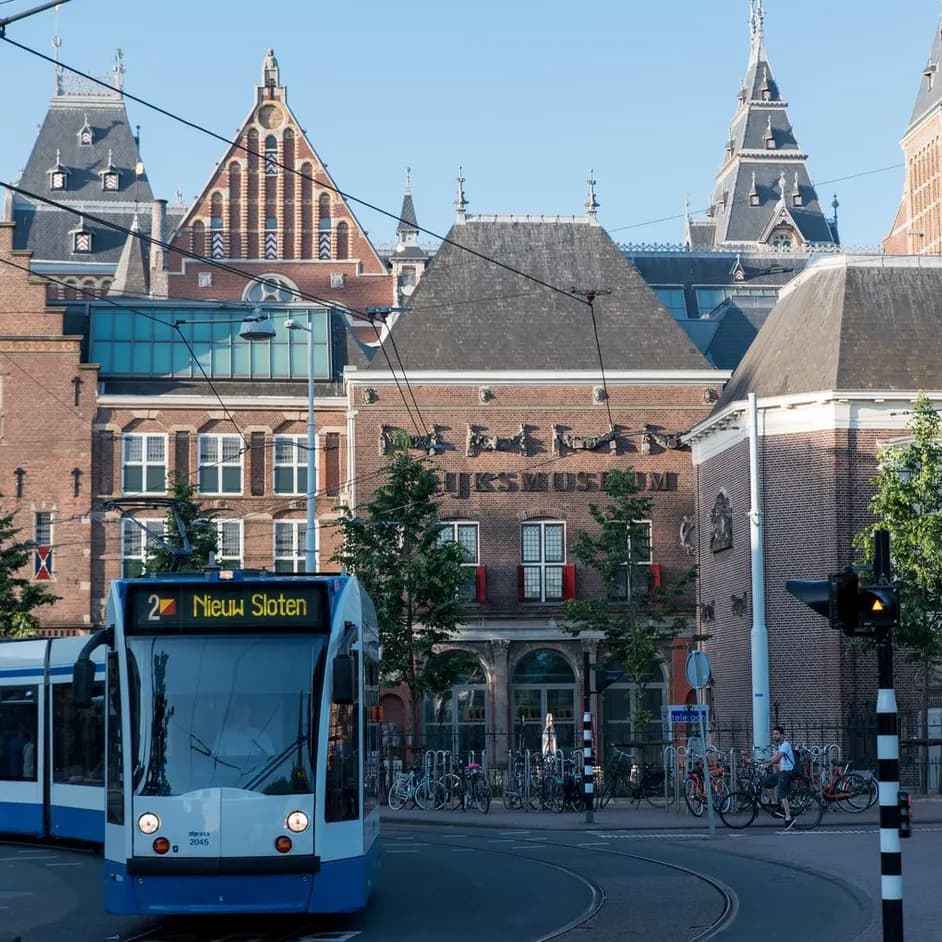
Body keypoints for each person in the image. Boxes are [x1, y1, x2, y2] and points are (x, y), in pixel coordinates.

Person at [760, 724, 796, 831]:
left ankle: (789, 818)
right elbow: (775, 756)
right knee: (766, 783)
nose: (774, 736)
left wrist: (768, 764)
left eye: (776, 734)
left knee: (782, 793)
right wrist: (764, 761)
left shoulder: (785, 745)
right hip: (782, 772)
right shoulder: (780, 745)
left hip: (787, 772)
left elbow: (778, 758)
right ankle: (775, 803)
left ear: (782, 735)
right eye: (773, 734)